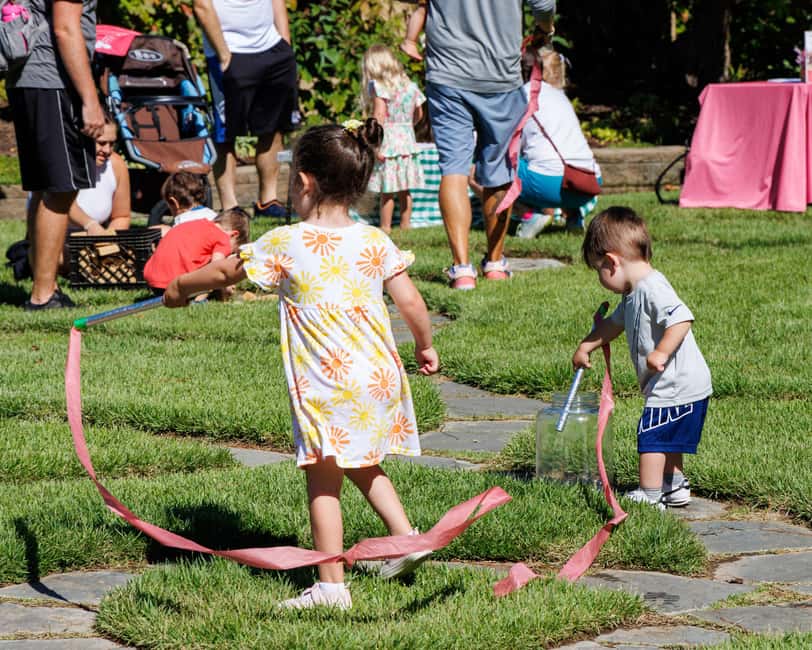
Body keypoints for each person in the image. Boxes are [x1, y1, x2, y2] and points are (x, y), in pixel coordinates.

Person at [163, 118, 440, 609]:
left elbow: (228, 270)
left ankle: (331, 586)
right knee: (359, 459)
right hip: (375, 378)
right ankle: (405, 539)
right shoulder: (374, 240)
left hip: (325, 385)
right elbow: (412, 302)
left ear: (306, 183)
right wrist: (424, 345)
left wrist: (181, 288)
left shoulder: (287, 242)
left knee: (322, 477)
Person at [572, 207, 712, 510]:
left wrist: (660, 352)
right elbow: (613, 324)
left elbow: (681, 319)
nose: (600, 277)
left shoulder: (651, 287)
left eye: (598, 270)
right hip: (682, 384)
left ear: (612, 261)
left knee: (652, 437)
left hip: (674, 383)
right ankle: (674, 486)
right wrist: (586, 346)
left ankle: (649, 495)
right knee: (670, 438)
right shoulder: (633, 292)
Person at [423, 0, 556, 290]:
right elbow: (543, 4)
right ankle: (495, 264)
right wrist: (544, 29)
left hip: (447, 73)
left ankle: (462, 272)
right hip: (499, 74)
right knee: (498, 170)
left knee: (453, 170)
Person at [6, 0, 105, 310]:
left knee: (45, 186)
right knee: (61, 188)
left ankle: (42, 282)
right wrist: (90, 99)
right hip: (53, 80)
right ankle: (43, 294)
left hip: (29, 78)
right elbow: (65, 29)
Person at [193, 0, 298, 218]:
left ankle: (267, 201)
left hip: (273, 49)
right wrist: (223, 54)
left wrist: (285, 44)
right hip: (229, 52)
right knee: (226, 133)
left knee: (272, 126)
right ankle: (230, 207)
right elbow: (202, 6)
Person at [515, 47, 601, 239]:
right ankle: (573, 216)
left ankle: (530, 215)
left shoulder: (521, 95)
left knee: (491, 168)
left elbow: (511, 145)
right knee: (543, 161)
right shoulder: (559, 95)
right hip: (588, 182)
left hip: (551, 186)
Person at [361, 44, 425, 233]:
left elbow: (379, 115)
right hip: (406, 139)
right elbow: (419, 113)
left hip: (388, 140)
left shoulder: (379, 87)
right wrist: (406, 125)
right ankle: (406, 225)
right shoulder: (410, 86)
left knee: (387, 189)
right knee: (405, 188)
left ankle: (385, 226)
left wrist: (374, 142)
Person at [143, 207, 250, 295]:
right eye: (232, 251)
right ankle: (199, 300)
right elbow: (217, 267)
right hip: (174, 285)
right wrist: (225, 288)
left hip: (152, 280)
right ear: (234, 234)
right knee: (207, 280)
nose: (228, 253)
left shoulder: (195, 224)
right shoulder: (223, 238)